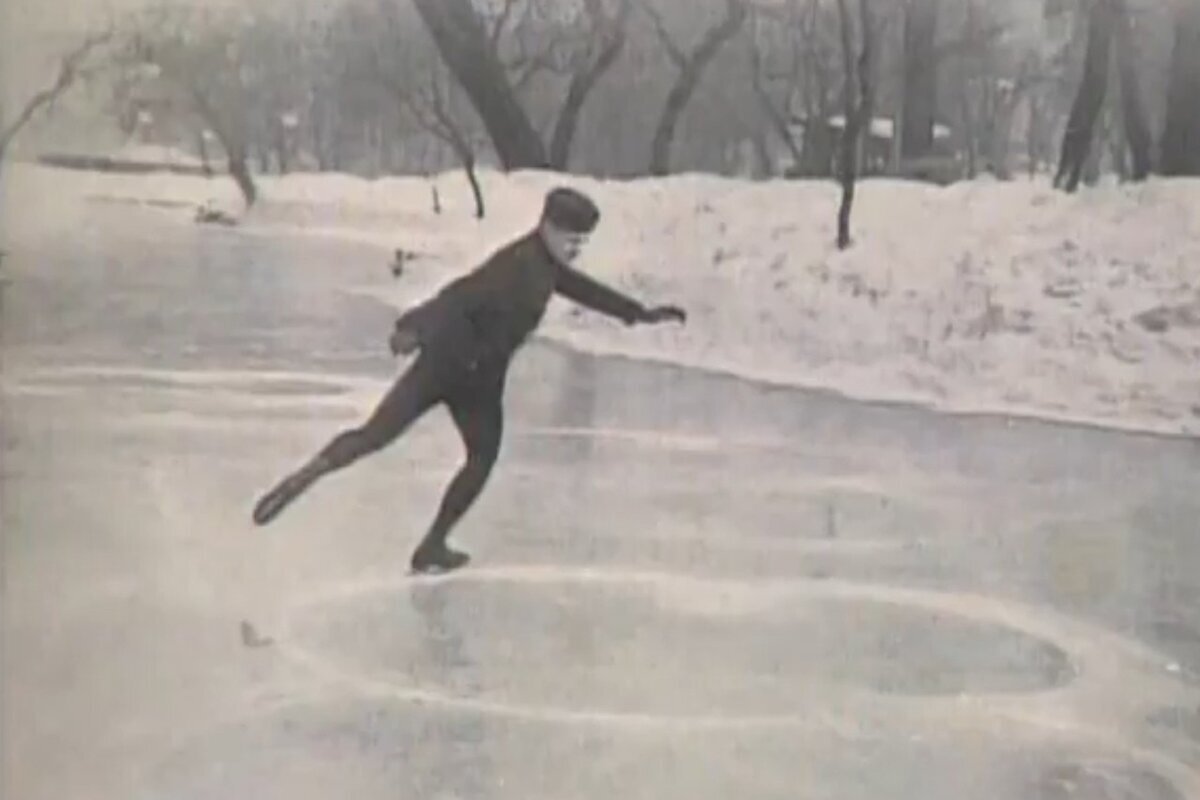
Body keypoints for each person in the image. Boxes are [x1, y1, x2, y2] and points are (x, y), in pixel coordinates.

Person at [251, 186, 687, 574]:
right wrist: (415, 326)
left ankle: (357, 497)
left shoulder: (541, 263)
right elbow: (462, 293)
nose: (576, 249)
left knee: (394, 440)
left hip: (461, 371)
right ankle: (419, 537)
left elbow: (583, 289)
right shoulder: (518, 264)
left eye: (582, 243)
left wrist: (638, 313)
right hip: (458, 369)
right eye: (572, 240)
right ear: (548, 227)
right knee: (462, 455)